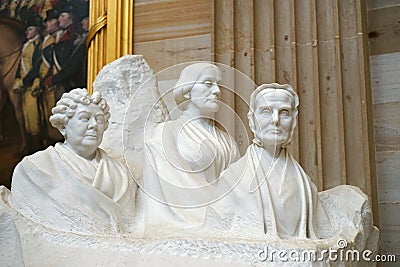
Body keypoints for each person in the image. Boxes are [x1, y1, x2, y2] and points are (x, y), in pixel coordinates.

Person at [205, 83, 331, 240]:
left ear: (293, 121)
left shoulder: (305, 185)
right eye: (266, 111)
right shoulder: (232, 179)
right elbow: (214, 232)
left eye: (284, 113)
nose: (276, 120)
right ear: (251, 120)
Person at [11, 88, 137, 236]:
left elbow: (131, 222)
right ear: (63, 127)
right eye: (85, 118)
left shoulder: (120, 173)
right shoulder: (36, 168)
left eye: (99, 119)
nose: (94, 125)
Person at [138, 63, 239, 234]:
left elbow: (238, 188)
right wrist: (220, 207)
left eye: (218, 85)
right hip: (186, 223)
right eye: (208, 83)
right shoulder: (167, 133)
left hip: (226, 220)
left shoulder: (227, 141)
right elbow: (166, 187)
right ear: (187, 90)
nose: (217, 91)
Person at [41, 2, 85, 100]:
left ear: (71, 18)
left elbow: (72, 65)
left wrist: (52, 79)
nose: (59, 19)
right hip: (60, 83)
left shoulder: (75, 35)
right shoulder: (61, 36)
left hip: (70, 85)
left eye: (62, 16)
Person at [13, 14, 43, 154]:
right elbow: (21, 66)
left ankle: (36, 150)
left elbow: (36, 67)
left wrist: (25, 81)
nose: (27, 32)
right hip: (24, 87)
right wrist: (18, 78)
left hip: (31, 86)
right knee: (26, 119)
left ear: (36, 30)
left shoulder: (39, 45)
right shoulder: (26, 45)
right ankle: (30, 149)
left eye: (30, 29)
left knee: (33, 119)